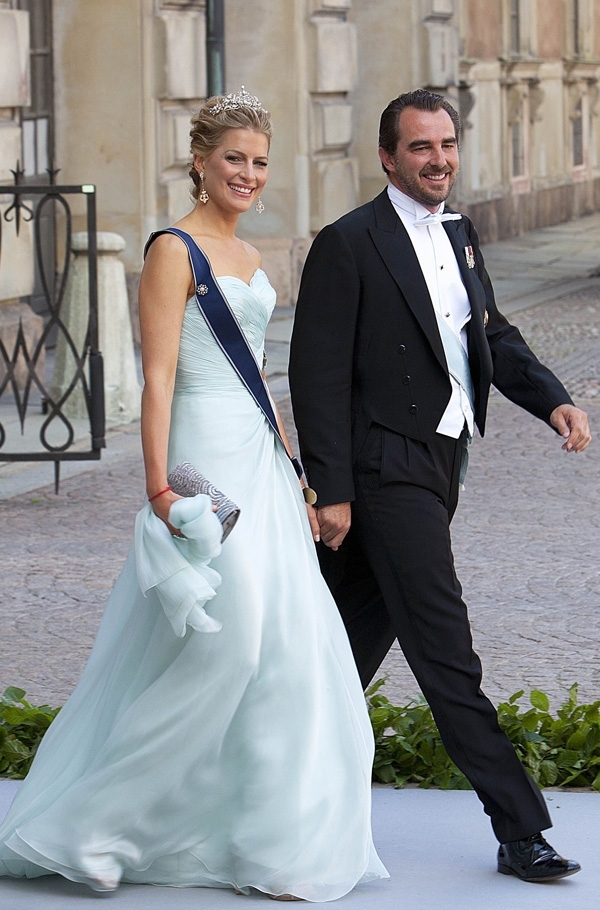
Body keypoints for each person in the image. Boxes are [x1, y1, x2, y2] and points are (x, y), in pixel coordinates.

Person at [0, 89, 388, 901]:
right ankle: (97, 825)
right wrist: (156, 483)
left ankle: (269, 841)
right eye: (233, 159)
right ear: (201, 162)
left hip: (260, 456)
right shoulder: (173, 249)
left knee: (288, 648)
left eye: (258, 162)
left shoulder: (250, 256)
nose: (248, 174)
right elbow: (160, 375)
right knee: (229, 639)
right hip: (200, 456)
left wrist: (298, 468)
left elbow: (260, 376)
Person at [289, 89, 591, 884]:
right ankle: (520, 827)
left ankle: (252, 784)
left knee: (340, 651)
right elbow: (314, 374)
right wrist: (331, 489)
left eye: (447, 144)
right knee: (444, 649)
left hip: (438, 465)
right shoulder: (348, 242)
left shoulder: (459, 232)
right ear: (388, 157)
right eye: (421, 147)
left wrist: (552, 396)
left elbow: (487, 331)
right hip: (384, 472)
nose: (439, 159)